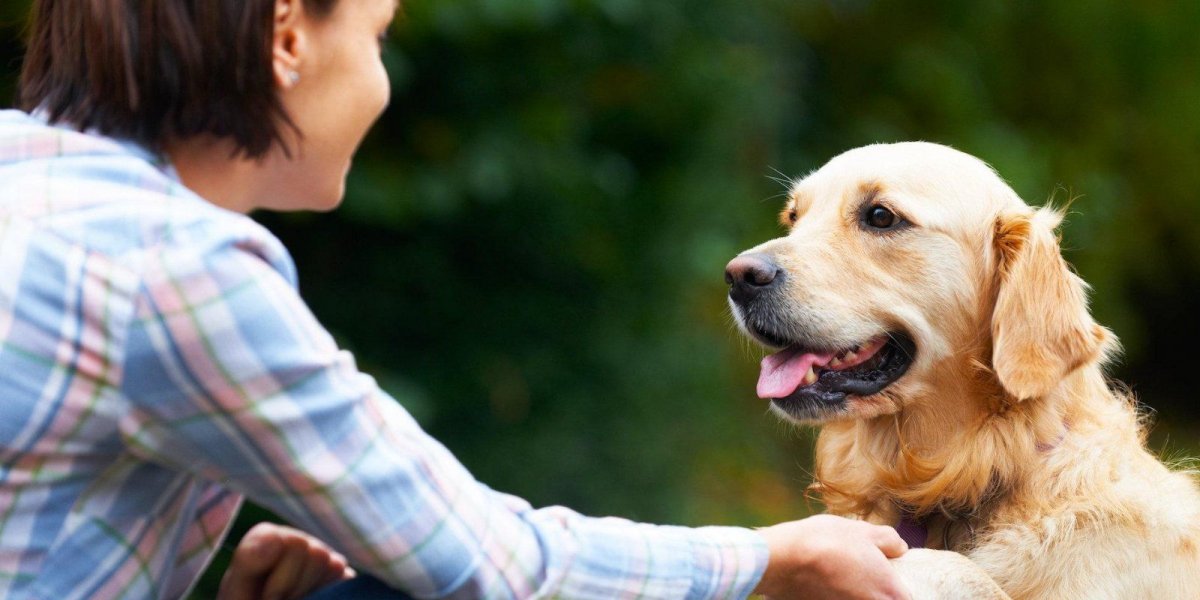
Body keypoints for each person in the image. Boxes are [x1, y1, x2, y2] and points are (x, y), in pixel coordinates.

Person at [0, 0, 909, 598]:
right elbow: (485, 561)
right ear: (287, 40)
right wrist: (769, 559)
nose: (381, 82)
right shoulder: (176, 270)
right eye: (377, 37)